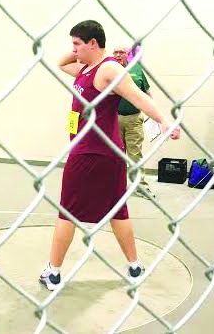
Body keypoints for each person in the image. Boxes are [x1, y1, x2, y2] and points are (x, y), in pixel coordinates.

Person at [39, 20, 180, 291]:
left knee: (67, 211)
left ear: (93, 43)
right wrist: (82, 48)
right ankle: (135, 267)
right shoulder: (86, 69)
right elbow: (61, 62)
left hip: (92, 151)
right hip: (103, 151)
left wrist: (163, 120)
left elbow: (138, 96)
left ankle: (53, 272)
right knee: (118, 211)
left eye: (77, 44)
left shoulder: (108, 69)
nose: (73, 49)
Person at [113, 46, 155, 199]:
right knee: (116, 154)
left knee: (135, 153)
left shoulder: (137, 69)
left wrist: (154, 114)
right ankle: (115, 186)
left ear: (128, 54)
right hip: (113, 119)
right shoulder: (108, 70)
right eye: (115, 52)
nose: (118, 55)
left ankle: (140, 186)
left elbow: (148, 93)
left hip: (134, 119)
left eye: (121, 52)